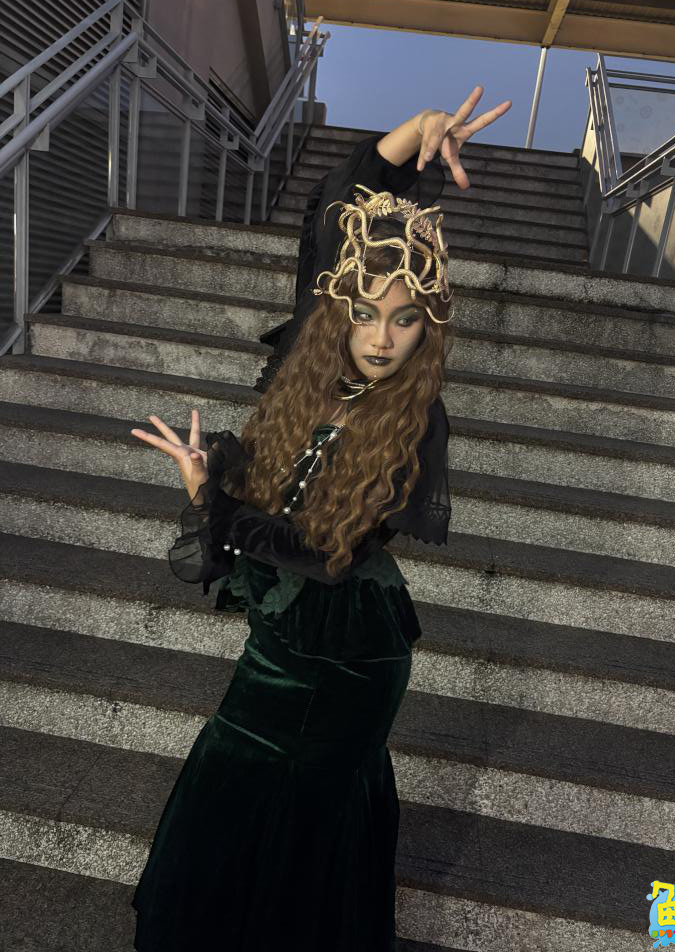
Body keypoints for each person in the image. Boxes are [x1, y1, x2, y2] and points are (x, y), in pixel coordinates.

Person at [128, 85, 512, 952]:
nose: (381, 338)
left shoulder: (417, 419)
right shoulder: (311, 368)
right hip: (286, 636)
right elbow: (329, 218)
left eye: (405, 320)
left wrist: (216, 505)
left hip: (345, 649)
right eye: (366, 313)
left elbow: (323, 552)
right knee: (233, 806)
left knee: (285, 813)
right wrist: (412, 135)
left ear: (427, 330)